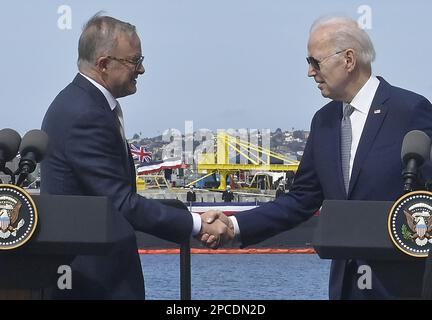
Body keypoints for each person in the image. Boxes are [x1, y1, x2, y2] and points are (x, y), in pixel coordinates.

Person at [201, 16, 432, 299]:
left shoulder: (410, 111)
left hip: (403, 286)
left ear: (348, 60)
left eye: (315, 61)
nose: (310, 72)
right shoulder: (323, 121)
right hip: (344, 287)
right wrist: (233, 226)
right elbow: (301, 199)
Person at [40, 13, 231, 299]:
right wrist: (198, 224)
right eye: (135, 61)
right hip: (91, 281)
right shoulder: (85, 114)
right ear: (104, 64)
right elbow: (121, 202)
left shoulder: (83, 104)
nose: (141, 70)